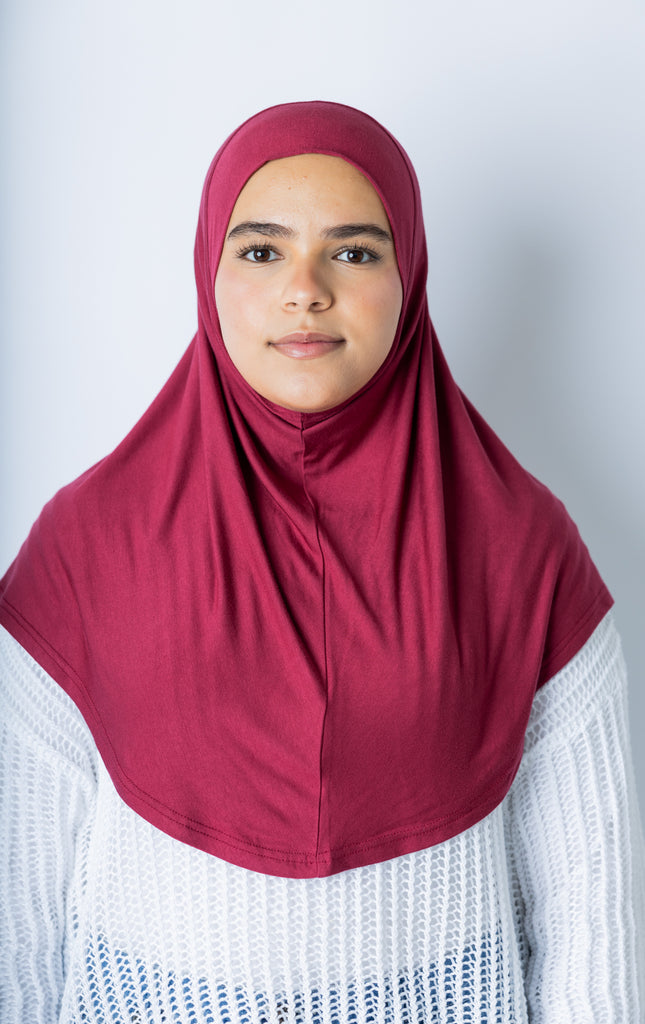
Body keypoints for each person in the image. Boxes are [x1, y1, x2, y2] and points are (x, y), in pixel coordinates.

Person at [0, 101, 643, 1023]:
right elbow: (16, 915)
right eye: (261, 251)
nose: (306, 289)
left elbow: (590, 924)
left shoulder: (521, 548)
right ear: (208, 274)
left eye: (353, 251)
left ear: (409, 276)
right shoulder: (89, 544)